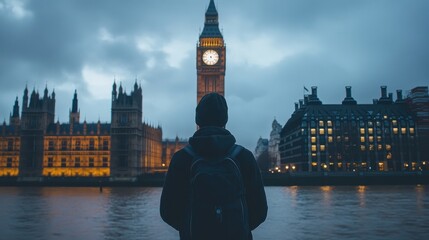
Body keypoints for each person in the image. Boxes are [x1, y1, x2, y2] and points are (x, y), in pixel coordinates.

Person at [160, 92, 268, 240]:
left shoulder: (182, 158)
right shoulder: (244, 157)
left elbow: (167, 212)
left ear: (197, 120)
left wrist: (190, 228)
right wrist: (237, 228)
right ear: (225, 120)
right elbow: (260, 211)